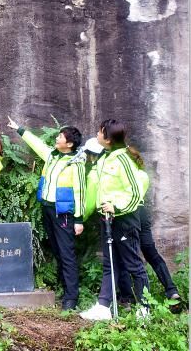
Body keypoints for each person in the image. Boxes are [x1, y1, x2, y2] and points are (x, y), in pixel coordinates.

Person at [7, 116, 85, 311]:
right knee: (58, 250)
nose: (56, 138)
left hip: (64, 213)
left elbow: (80, 191)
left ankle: (71, 298)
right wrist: (20, 129)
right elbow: (38, 145)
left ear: (69, 143)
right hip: (48, 209)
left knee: (66, 253)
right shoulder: (52, 155)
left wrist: (79, 219)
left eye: (60, 136)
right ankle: (64, 288)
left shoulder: (76, 164)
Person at [80, 119, 150, 321]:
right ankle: (103, 307)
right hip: (107, 219)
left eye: (100, 132)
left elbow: (136, 193)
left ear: (108, 139)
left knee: (133, 264)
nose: (96, 134)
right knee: (109, 264)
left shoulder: (124, 160)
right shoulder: (103, 159)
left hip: (124, 220)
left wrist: (117, 207)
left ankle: (144, 308)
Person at [117, 169, 181, 311]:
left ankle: (127, 299)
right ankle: (171, 290)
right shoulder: (141, 174)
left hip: (128, 213)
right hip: (142, 211)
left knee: (124, 256)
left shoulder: (121, 172)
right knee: (151, 253)